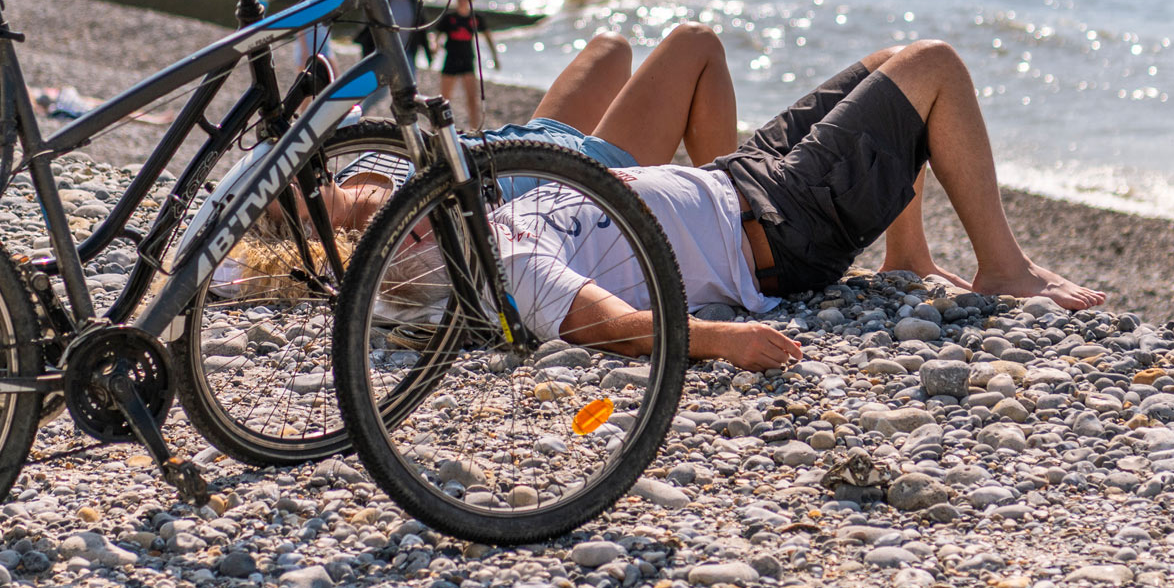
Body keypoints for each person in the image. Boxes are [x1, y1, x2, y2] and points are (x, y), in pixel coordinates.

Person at [337, 25, 1105, 370]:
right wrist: (722, 339)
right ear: (440, 273)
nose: (405, 222)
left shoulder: (494, 224)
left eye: (393, 224)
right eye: (404, 241)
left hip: (740, 179)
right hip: (774, 227)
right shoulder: (512, 263)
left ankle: (910, 253)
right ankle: (1002, 265)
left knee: (885, 59)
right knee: (934, 64)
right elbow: (614, 327)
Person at [435, 0, 494, 129]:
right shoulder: (449, 17)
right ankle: (437, 128)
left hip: (468, 60)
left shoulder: (475, 18)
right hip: (451, 60)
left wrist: (495, 57)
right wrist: (435, 47)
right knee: (444, 99)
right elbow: (437, 35)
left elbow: (488, 36)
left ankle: (475, 129)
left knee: (472, 99)